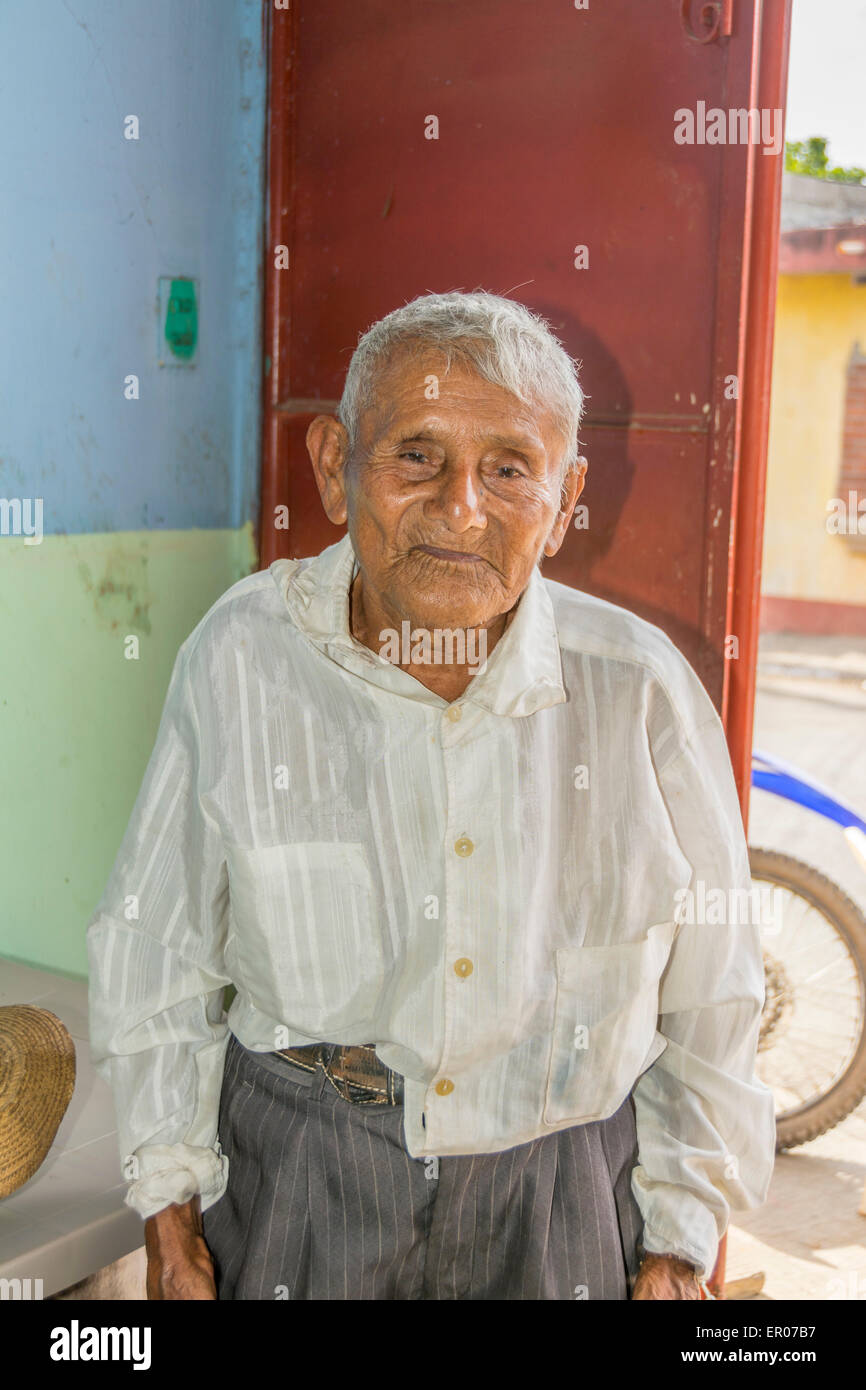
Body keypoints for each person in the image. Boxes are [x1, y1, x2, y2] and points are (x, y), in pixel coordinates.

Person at [87, 290, 776, 1301]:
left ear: (563, 499)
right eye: (416, 456)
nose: (461, 509)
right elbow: (159, 948)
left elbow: (713, 993)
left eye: (508, 469)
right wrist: (171, 1209)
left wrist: (674, 1240)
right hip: (298, 1181)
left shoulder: (638, 690)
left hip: (562, 1194)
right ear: (335, 466)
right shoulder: (242, 656)